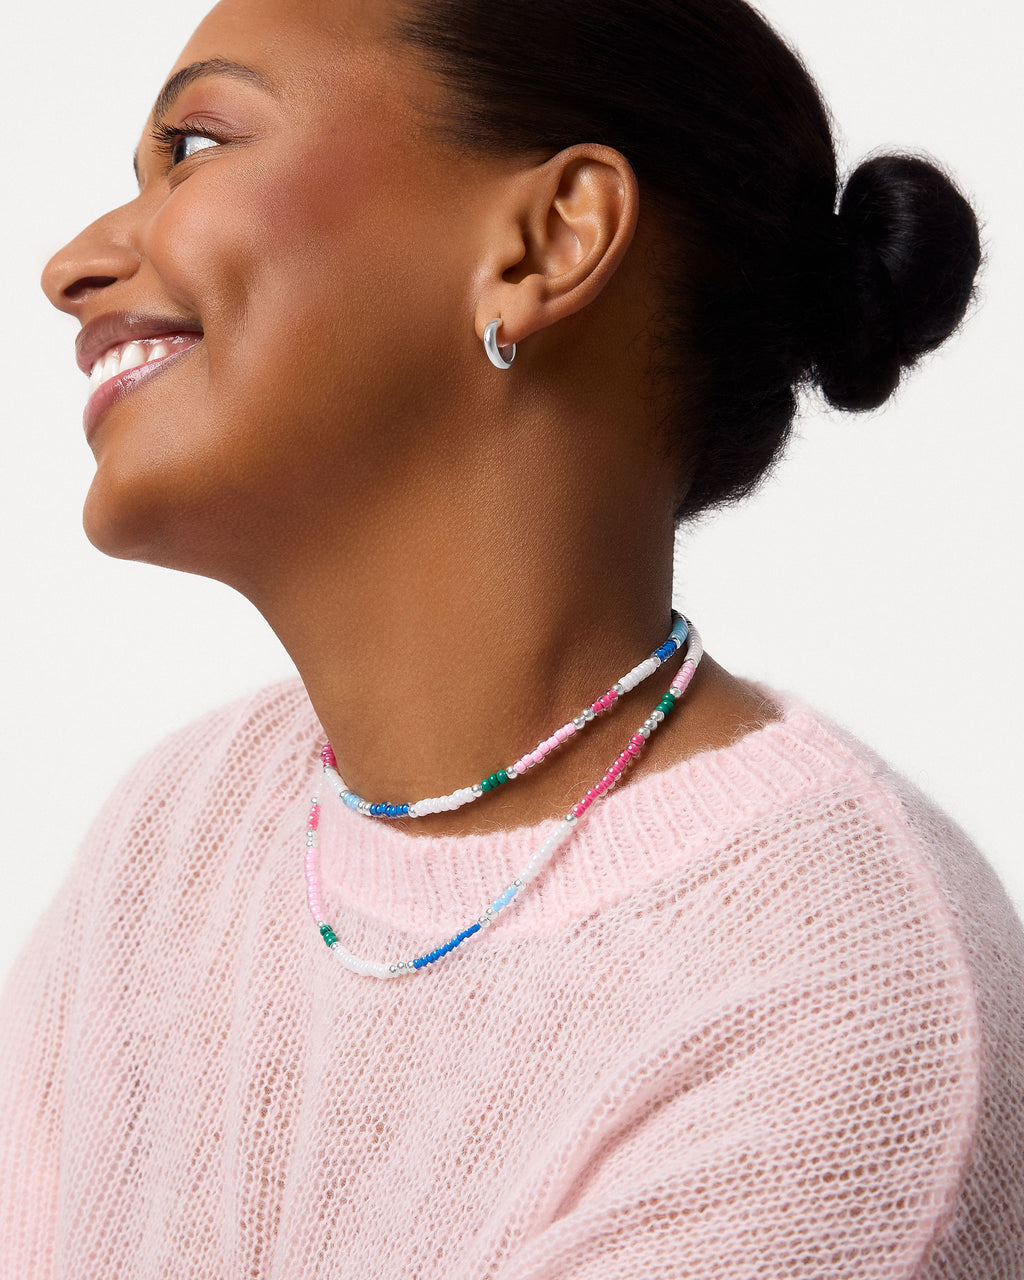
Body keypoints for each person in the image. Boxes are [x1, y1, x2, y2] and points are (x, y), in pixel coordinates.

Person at [2, 0, 1021, 1274]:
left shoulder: (836, 996)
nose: (71, 265)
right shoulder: (180, 837)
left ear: (545, 242)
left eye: (199, 146)